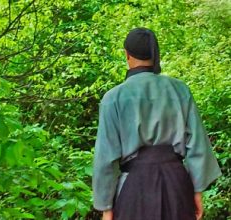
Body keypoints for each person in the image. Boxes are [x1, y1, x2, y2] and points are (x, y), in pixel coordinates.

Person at [92, 27, 222, 220]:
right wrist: (197, 192)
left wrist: (106, 208)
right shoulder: (179, 90)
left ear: (127, 54)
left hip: (134, 189)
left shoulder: (114, 98)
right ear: (154, 54)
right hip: (176, 184)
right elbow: (197, 145)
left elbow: (106, 157)